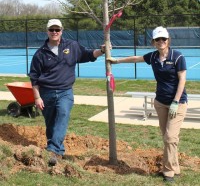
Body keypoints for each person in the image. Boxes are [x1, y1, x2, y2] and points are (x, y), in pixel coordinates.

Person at [107, 26, 187, 183]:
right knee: (168, 138)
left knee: (170, 137)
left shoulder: (177, 57)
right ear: (153, 42)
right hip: (160, 103)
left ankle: (168, 171)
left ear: (168, 40)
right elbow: (136, 58)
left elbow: (182, 80)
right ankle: (175, 167)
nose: (161, 42)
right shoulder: (153, 57)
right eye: (158, 39)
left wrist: (176, 101)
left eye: (163, 39)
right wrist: (117, 61)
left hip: (177, 103)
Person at [29, 19, 106, 166]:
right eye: (51, 30)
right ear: (47, 31)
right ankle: (57, 151)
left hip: (65, 91)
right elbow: (34, 77)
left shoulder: (72, 46)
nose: (54, 32)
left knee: (62, 116)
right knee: (51, 123)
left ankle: (53, 150)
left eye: (57, 30)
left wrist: (102, 51)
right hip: (46, 93)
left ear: (61, 31)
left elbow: (88, 55)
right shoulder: (40, 53)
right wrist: (37, 97)